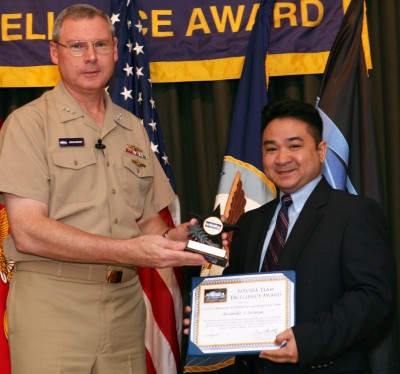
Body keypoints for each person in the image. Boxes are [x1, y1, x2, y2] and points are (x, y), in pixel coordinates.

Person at [0, 4, 208, 374]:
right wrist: (130, 249)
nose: (91, 57)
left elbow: (146, 224)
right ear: (54, 53)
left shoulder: (131, 128)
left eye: (100, 44)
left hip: (125, 307)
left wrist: (176, 238)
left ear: (116, 49)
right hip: (53, 305)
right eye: (77, 46)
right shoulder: (28, 124)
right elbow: (29, 231)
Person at [185, 98, 397, 373]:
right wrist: (208, 319)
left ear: (321, 151)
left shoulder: (354, 213)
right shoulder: (249, 223)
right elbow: (239, 299)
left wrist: (309, 341)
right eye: (271, 148)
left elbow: (373, 297)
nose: (282, 158)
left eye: (295, 146)